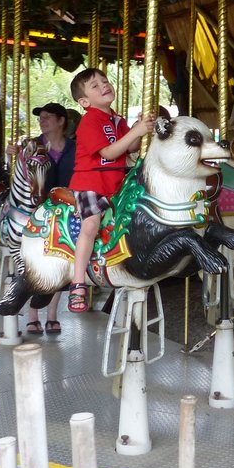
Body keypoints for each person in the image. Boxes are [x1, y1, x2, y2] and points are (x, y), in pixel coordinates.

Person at [65, 68, 154, 313]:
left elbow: (130, 147)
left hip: (115, 185)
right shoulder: (90, 121)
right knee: (91, 225)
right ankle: (78, 283)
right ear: (84, 101)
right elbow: (109, 152)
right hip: (90, 184)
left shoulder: (116, 119)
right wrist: (135, 132)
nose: (103, 86)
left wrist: (138, 128)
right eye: (94, 86)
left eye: (104, 81)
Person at [24, 102, 76, 334]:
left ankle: (53, 313)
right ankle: (32, 313)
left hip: (63, 210)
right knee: (32, 259)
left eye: (47, 117)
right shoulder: (32, 146)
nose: (42, 121)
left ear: (61, 120)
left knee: (61, 258)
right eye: (40, 117)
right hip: (35, 209)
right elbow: (19, 174)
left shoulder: (75, 148)